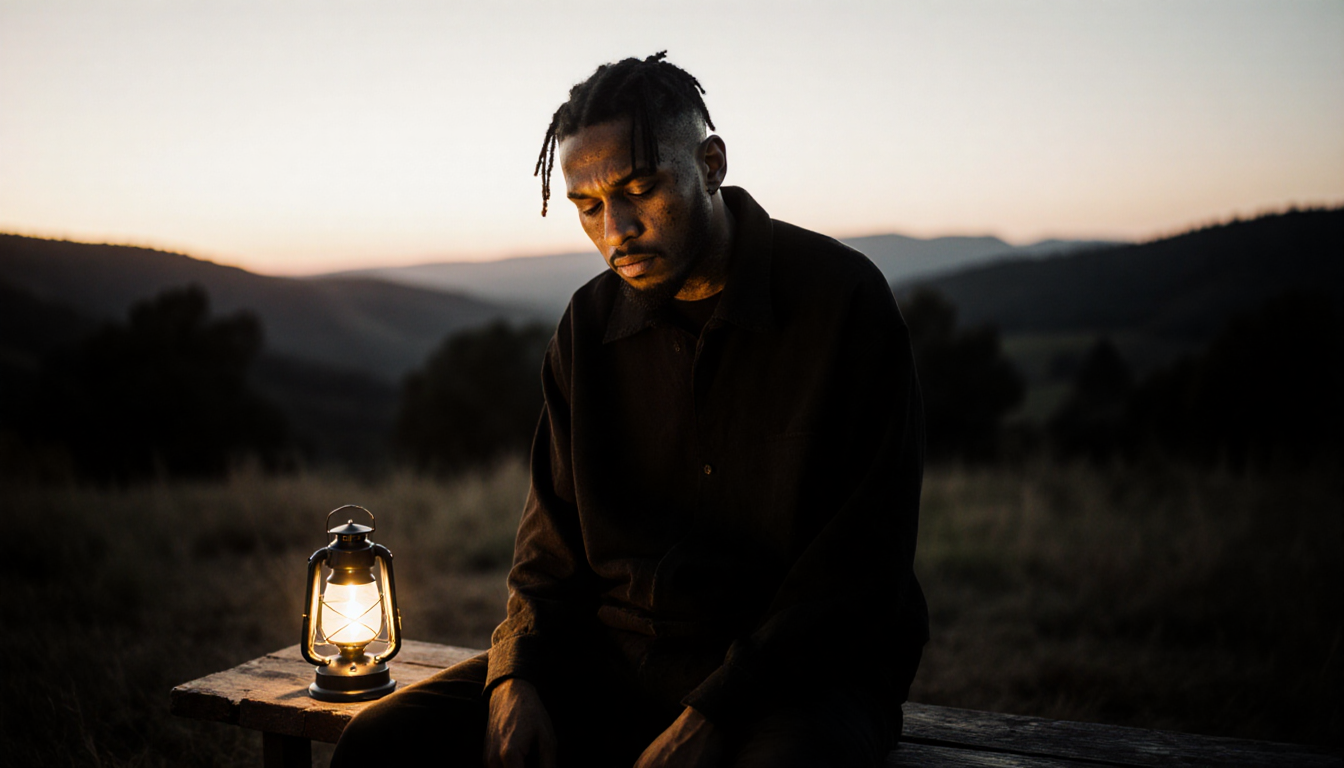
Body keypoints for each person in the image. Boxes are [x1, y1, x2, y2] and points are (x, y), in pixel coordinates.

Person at [332, 51, 927, 768]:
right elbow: (547, 550)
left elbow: (861, 566)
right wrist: (516, 676)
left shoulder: (843, 302)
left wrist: (715, 711)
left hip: (803, 674)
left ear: (710, 164)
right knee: (377, 744)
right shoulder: (587, 327)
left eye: (640, 190)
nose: (616, 229)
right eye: (587, 207)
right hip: (616, 656)